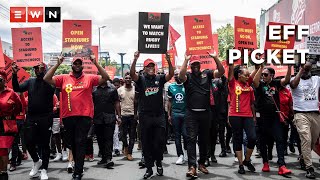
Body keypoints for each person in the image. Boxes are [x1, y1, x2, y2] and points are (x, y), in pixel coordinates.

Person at [43, 55, 109, 180]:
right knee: (71, 143)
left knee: (80, 142)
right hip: (68, 117)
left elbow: (106, 77)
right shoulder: (64, 78)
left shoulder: (89, 78)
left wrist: (96, 63)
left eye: (79, 64)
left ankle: (78, 171)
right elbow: (47, 78)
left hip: (84, 116)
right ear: (72, 65)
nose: (77, 65)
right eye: (75, 64)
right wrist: (57, 64)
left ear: (82, 66)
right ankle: (77, 166)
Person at [178, 51, 225, 178]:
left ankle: (202, 163)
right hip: (191, 114)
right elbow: (181, 76)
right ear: (190, 66)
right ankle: (192, 166)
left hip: (205, 113)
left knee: (204, 140)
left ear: (200, 64)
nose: (195, 66)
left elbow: (221, 72)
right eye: (193, 64)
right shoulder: (187, 76)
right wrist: (186, 60)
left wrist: (215, 57)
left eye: (197, 64)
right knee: (191, 139)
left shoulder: (207, 74)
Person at [130, 51, 174, 179]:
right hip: (145, 116)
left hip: (159, 116)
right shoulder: (141, 79)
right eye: (148, 66)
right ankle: (149, 168)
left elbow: (171, 74)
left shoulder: (159, 79)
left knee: (159, 142)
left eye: (152, 66)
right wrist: (135, 59)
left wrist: (169, 60)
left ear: (155, 67)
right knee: (147, 143)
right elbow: (132, 74)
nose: (150, 68)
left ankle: (159, 162)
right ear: (144, 69)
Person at [12, 62, 55, 180]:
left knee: (44, 144)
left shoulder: (50, 81)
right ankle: (37, 161)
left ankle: (44, 170)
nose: (37, 70)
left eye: (39, 68)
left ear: (45, 69)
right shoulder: (30, 81)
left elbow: (50, 90)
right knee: (28, 141)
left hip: (45, 117)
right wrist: (14, 75)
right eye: (35, 68)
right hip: (31, 117)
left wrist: (43, 74)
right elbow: (17, 88)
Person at [253, 65, 292, 175]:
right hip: (262, 117)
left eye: (265, 74)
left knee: (279, 140)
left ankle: (282, 165)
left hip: (275, 117)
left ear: (272, 76)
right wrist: (260, 68)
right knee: (263, 141)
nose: (263, 76)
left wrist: (289, 67)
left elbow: (287, 80)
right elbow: (255, 82)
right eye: (262, 75)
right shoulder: (260, 84)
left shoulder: (276, 83)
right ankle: (265, 163)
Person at [290, 61, 320, 179]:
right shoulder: (294, 80)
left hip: (315, 114)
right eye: (303, 69)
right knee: (306, 139)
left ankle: (303, 157)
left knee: (312, 141)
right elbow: (293, 85)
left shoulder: (317, 79)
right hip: (300, 114)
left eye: (308, 69)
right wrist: (302, 70)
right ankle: (309, 168)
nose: (306, 71)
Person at [227, 64, 256, 174]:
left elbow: (252, 103)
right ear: (239, 75)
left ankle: (247, 160)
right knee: (238, 139)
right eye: (246, 75)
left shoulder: (249, 86)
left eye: (249, 75)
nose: (248, 77)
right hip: (235, 116)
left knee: (252, 138)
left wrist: (254, 117)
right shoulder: (233, 83)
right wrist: (231, 66)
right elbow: (230, 75)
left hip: (248, 115)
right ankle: (240, 165)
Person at [93, 77, 121, 168]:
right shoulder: (94, 90)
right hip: (97, 118)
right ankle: (104, 158)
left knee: (109, 138)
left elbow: (117, 103)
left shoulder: (112, 89)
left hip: (110, 117)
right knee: (100, 139)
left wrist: (119, 116)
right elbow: (91, 104)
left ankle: (109, 158)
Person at [0, 70, 22, 180]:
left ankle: (4, 173)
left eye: (0, 79)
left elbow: (19, 107)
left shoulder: (11, 93)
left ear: (4, 81)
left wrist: (11, 114)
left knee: (3, 149)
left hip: (6, 124)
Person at [167, 69, 187, 165]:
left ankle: (187, 152)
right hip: (175, 114)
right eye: (174, 75)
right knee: (177, 136)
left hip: (186, 114)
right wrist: (169, 115)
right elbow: (169, 101)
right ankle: (180, 155)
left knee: (186, 135)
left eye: (177, 74)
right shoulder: (171, 87)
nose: (176, 76)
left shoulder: (186, 85)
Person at [118, 72, 136, 161]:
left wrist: (137, 114)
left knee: (132, 136)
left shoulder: (135, 89)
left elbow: (138, 103)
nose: (128, 79)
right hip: (123, 115)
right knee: (122, 135)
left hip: (133, 115)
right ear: (124, 79)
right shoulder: (120, 90)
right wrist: (118, 116)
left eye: (130, 78)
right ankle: (125, 146)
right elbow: (117, 103)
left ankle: (129, 153)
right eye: (126, 78)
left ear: (132, 79)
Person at [112, 78, 121, 156]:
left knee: (115, 133)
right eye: (114, 85)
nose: (116, 87)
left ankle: (117, 148)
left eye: (117, 85)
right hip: (110, 115)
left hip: (118, 115)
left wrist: (119, 116)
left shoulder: (120, 92)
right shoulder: (111, 92)